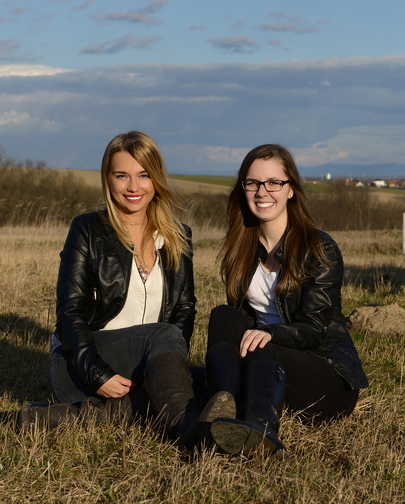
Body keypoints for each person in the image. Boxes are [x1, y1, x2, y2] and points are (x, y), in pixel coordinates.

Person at [20, 131, 234, 448]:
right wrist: (97, 375)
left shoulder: (178, 235)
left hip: (145, 364)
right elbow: (70, 313)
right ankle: (191, 434)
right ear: (108, 180)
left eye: (143, 175)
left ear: (156, 179)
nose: (133, 187)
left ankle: (62, 417)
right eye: (122, 176)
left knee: (209, 383)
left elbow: (184, 309)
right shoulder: (87, 229)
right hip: (82, 368)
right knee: (164, 337)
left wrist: (158, 370)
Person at [205, 144, 368, 457]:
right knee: (223, 315)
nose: (262, 191)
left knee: (263, 347)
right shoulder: (240, 250)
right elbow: (241, 321)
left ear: (291, 189)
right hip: (264, 365)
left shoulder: (319, 248)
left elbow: (315, 329)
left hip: (323, 375)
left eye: (274, 183)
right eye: (252, 183)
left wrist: (270, 333)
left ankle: (262, 431)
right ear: (242, 188)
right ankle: (222, 410)